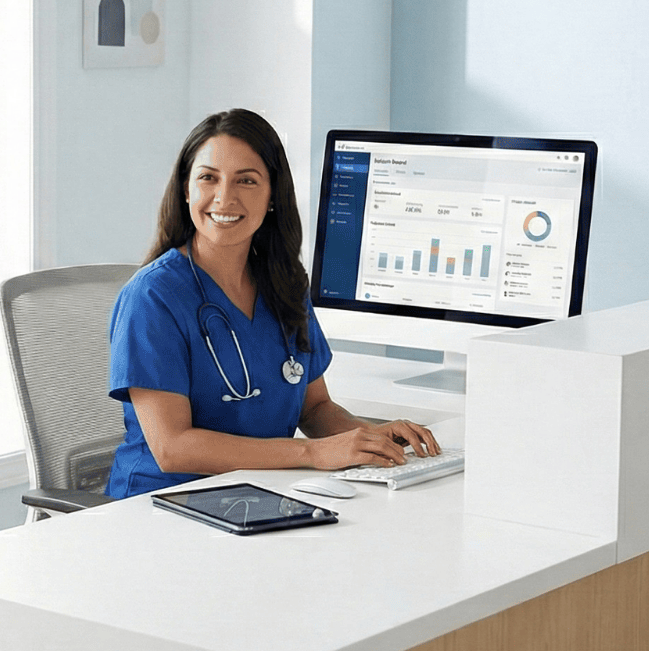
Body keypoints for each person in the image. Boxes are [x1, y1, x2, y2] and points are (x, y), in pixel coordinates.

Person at [106, 109, 440, 499]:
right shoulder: (153, 298)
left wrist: (365, 438)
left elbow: (314, 409)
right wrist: (312, 453)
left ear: (271, 197)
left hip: (259, 493)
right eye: (208, 178)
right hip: (160, 506)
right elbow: (172, 448)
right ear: (186, 190)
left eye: (246, 180)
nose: (224, 197)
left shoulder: (283, 282)